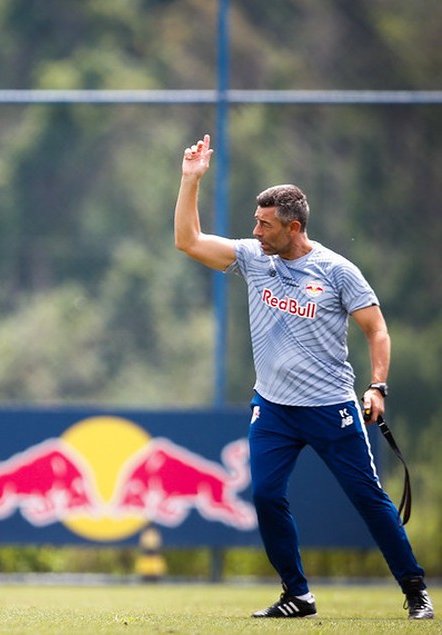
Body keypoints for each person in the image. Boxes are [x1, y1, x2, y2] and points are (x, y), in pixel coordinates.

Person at [173, 134, 433, 620]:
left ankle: (415, 589)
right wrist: (190, 181)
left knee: (369, 500)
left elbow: (377, 330)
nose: (255, 230)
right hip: (272, 408)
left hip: (330, 408)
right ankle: (298, 594)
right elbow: (187, 241)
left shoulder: (337, 271)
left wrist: (377, 386)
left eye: (265, 224)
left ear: (293, 227)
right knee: (266, 494)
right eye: (255, 220)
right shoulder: (253, 258)